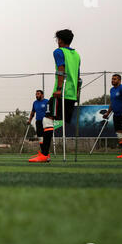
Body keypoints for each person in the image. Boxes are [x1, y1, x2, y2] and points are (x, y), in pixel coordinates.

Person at [30, 29, 81, 162]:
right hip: (72, 94)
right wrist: (77, 92)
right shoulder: (76, 55)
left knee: (47, 119)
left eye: (57, 39)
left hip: (61, 92)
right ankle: (45, 154)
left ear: (60, 40)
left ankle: (44, 155)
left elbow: (61, 70)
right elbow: (78, 77)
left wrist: (59, 88)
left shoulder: (58, 52)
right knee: (53, 118)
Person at [103, 74, 122, 158]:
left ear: (119, 80)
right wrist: (107, 113)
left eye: (114, 79)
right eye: (112, 79)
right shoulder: (111, 90)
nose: (112, 80)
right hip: (116, 115)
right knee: (119, 134)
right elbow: (112, 103)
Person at [27, 90, 49, 157]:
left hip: (46, 121)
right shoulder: (35, 103)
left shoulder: (47, 102)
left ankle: (46, 153)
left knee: (46, 138)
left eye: (38, 94)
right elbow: (33, 112)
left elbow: (50, 111)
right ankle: (43, 152)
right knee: (40, 137)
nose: (37, 95)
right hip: (38, 122)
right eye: (36, 94)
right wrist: (29, 120)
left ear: (42, 95)